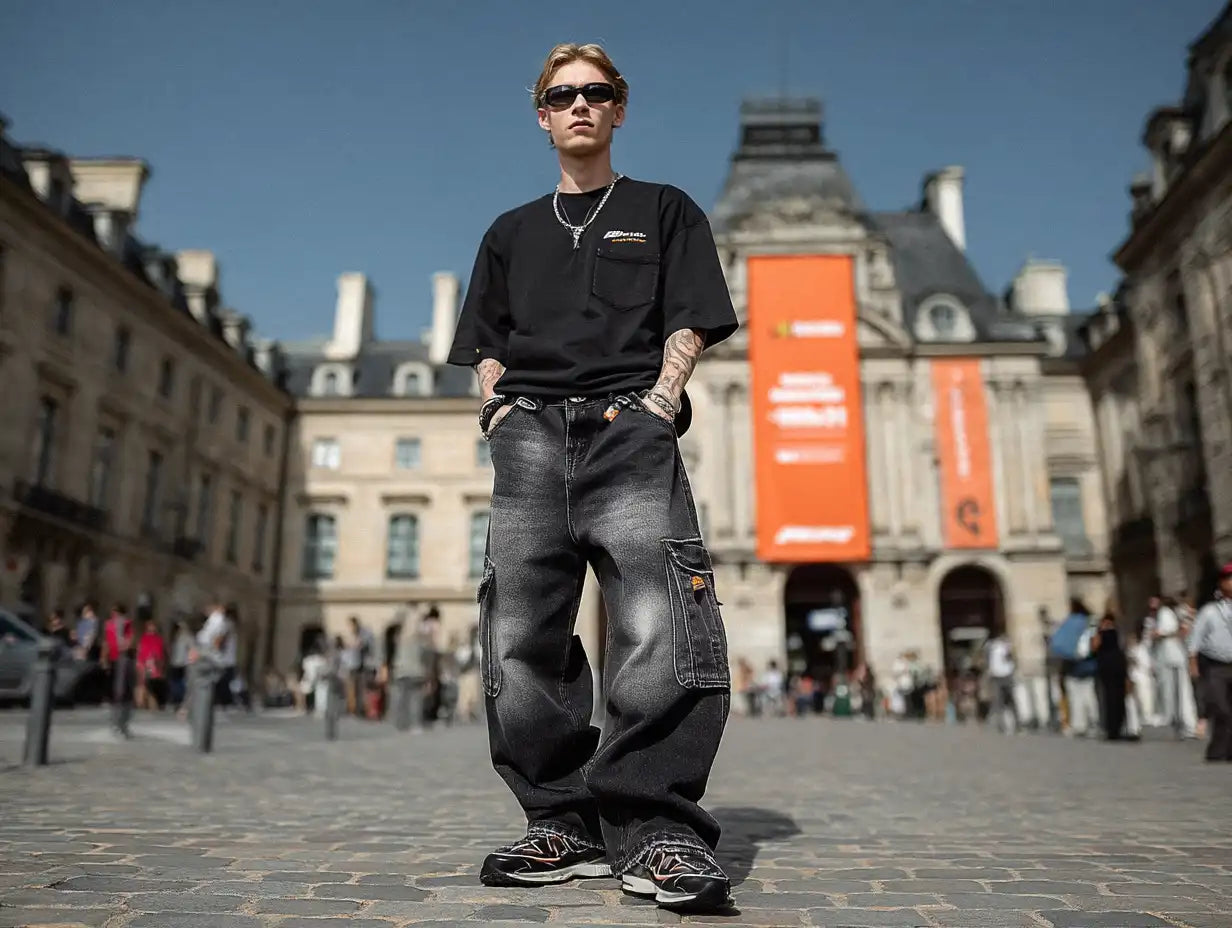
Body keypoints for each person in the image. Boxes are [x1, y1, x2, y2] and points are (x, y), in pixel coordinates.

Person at [445, 43, 738, 913]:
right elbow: (486, 339)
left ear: (619, 109)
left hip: (628, 428)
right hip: (528, 435)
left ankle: (655, 827)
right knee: (517, 636)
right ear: (542, 115)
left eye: (596, 93)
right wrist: (495, 413)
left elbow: (691, 317)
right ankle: (562, 821)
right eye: (562, 94)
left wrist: (658, 403)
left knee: (660, 624)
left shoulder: (664, 209)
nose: (580, 105)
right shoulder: (509, 231)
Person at [1188, 562, 1232, 762]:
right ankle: (1216, 750)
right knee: (1221, 708)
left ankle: (1227, 750)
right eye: (1229, 579)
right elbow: (1195, 638)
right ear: (1221, 583)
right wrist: (1193, 663)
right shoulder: (1210, 611)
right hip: (1216, 666)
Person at [1050, 599, 1099, 737]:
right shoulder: (1090, 621)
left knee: (1075, 696)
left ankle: (1079, 725)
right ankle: (1093, 722)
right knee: (1089, 695)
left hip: (1071, 664)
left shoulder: (1068, 622)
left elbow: (1057, 644)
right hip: (1088, 664)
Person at [1154, 596, 1197, 739]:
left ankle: (1183, 724)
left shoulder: (1167, 612)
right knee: (1180, 692)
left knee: (1178, 693)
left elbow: (1166, 631)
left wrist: (1160, 634)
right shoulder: (1175, 613)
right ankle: (1183, 724)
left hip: (1173, 657)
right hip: (1176, 656)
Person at [1091, 609, 1131, 741]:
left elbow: (1094, 648)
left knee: (1109, 698)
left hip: (1106, 667)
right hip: (1118, 664)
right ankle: (1118, 727)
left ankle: (1111, 729)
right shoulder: (1117, 632)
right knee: (1118, 698)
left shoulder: (1100, 633)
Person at [102, 603, 135, 738]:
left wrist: (125, 645)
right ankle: (117, 724)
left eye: (116, 613)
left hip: (123, 659)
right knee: (116, 693)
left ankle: (121, 724)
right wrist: (104, 658)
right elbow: (106, 642)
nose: (114, 615)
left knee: (122, 692)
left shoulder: (126, 623)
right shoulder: (109, 625)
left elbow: (130, 641)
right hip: (114, 659)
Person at [983, 628, 1017, 734]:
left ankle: (1011, 724)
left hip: (1004, 674)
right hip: (999, 675)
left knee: (1007, 700)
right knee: (1000, 700)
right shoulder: (992, 646)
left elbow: (1010, 658)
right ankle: (1003, 724)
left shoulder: (1003, 646)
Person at [135, 619, 167, 710]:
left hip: (155, 664)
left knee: (152, 683)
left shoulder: (159, 639)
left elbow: (161, 653)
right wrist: (140, 663)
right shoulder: (143, 638)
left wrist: (160, 664)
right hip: (144, 663)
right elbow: (140, 651)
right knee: (142, 682)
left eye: (153, 625)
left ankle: (150, 702)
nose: (152, 627)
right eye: (150, 625)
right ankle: (141, 702)